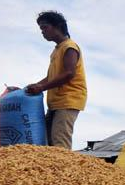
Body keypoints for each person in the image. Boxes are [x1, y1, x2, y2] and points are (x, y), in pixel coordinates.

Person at [26, 11, 87, 149]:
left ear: (58, 26)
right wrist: (35, 85)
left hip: (68, 99)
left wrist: (41, 88)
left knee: (60, 141)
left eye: (45, 27)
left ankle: (65, 171)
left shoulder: (69, 46)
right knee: (47, 141)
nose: (42, 32)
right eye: (41, 29)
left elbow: (69, 73)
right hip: (55, 102)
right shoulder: (56, 51)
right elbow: (51, 77)